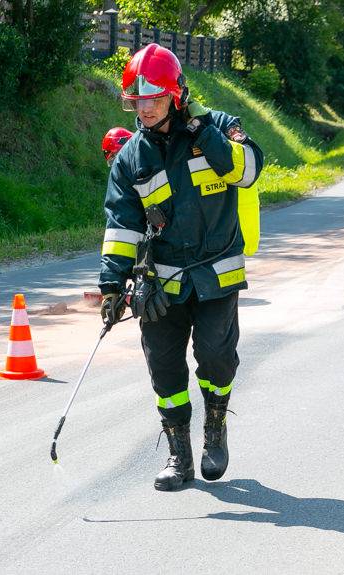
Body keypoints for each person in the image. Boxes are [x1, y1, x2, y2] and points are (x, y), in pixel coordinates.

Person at [98, 43, 264, 491]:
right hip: (162, 282)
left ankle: (215, 428)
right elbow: (122, 224)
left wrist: (200, 127)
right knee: (165, 370)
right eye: (137, 101)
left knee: (215, 357)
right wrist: (112, 283)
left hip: (216, 276)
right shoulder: (131, 157)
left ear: (176, 95)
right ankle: (179, 456)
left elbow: (246, 171)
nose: (145, 108)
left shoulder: (220, 129)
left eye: (152, 98)